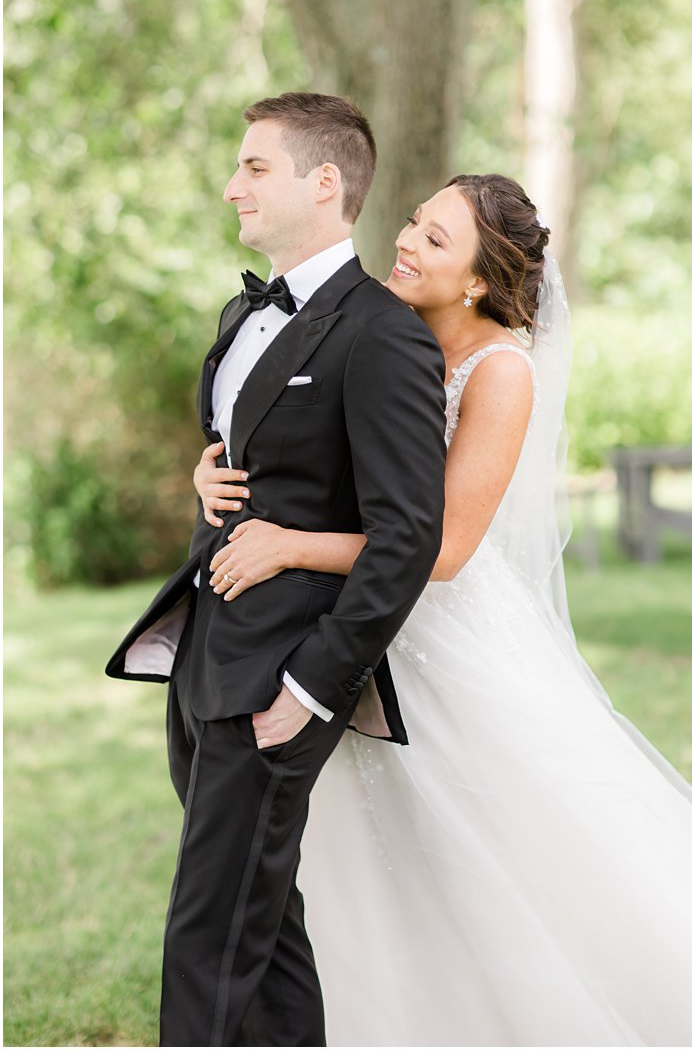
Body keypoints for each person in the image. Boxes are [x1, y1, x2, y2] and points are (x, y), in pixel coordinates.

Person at [193, 173, 692, 1045]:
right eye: (415, 222)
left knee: (480, 847)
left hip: (443, 635)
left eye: (435, 240)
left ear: (478, 283)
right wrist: (217, 472)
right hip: (346, 622)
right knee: (346, 846)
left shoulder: (499, 372)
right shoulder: (372, 332)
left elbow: (446, 549)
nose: (407, 242)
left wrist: (292, 544)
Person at [105, 92, 447, 1046]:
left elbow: (408, 535)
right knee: (261, 923)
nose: (232, 186)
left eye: (255, 168)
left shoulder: (384, 335)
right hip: (205, 655)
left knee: (207, 930)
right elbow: (256, 448)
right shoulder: (240, 309)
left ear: (325, 181)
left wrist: (313, 682)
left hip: (279, 673)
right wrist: (210, 471)